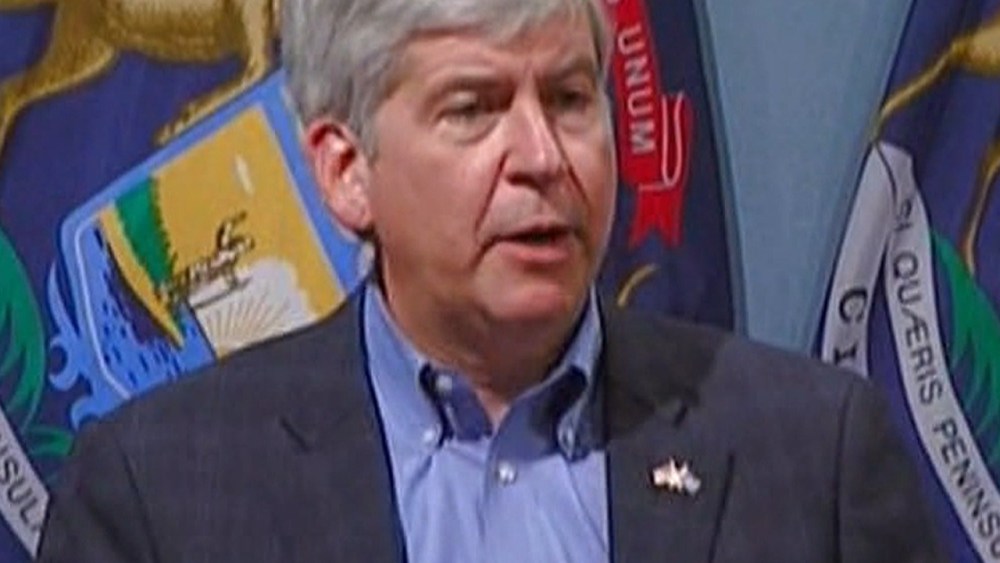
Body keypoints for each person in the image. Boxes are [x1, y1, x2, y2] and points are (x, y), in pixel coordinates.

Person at [36, 0, 945, 561]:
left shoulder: (810, 452)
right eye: (474, 109)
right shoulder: (161, 489)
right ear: (345, 171)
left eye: (571, 99)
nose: (543, 157)